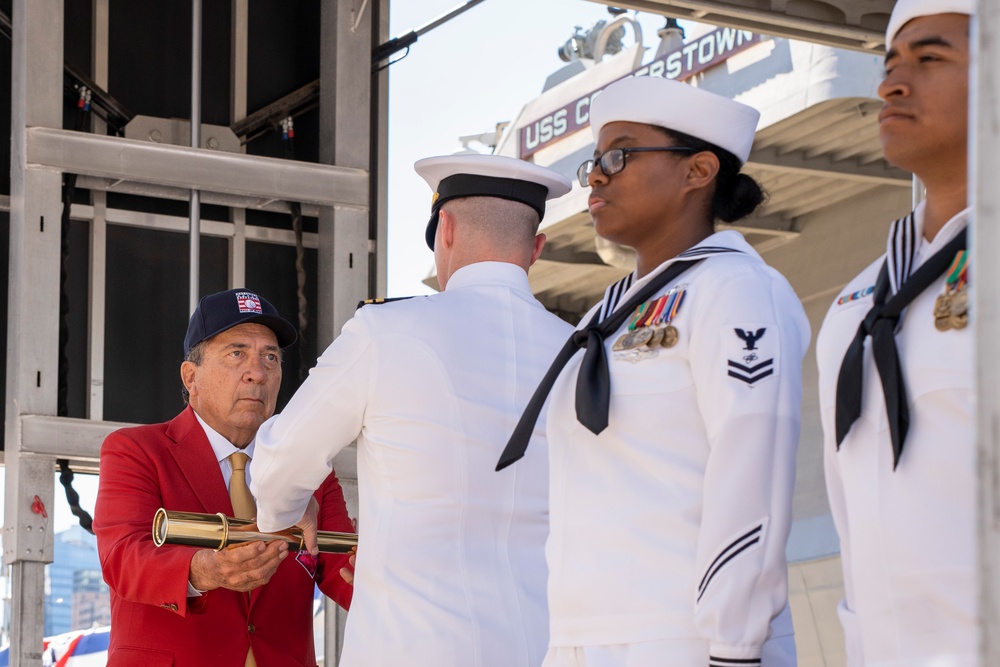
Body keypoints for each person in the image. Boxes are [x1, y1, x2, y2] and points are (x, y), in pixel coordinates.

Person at [496, 75, 808, 666]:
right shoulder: (603, 315)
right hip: (578, 638)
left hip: (687, 639)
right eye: (595, 160)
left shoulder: (735, 289)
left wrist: (735, 646)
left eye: (620, 155)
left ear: (698, 171)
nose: (596, 175)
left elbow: (752, 471)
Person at [250, 154, 574, 666]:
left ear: (443, 228)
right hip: (548, 649)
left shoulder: (386, 333)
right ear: (536, 248)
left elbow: (279, 465)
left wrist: (285, 512)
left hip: (414, 648)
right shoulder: (585, 353)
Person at [816, 0, 975, 664]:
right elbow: (850, 509)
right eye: (889, 64)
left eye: (930, 58)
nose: (891, 84)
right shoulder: (854, 305)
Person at [94, 289, 355, 667]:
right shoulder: (135, 450)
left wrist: (387, 572)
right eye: (237, 354)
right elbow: (123, 558)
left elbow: (344, 570)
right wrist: (203, 570)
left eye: (270, 357)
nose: (257, 373)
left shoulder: (312, 468)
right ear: (191, 376)